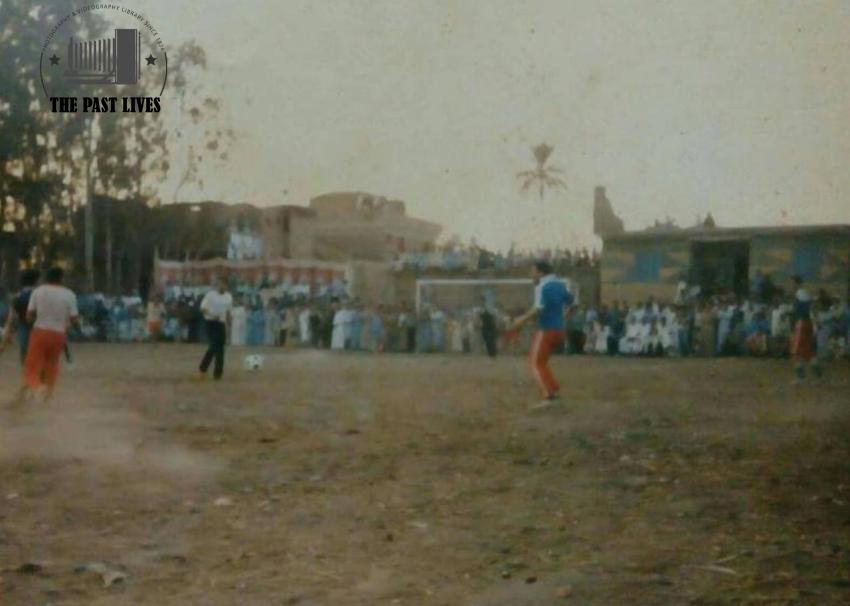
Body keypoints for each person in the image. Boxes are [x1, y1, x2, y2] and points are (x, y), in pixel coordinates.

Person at [510, 261, 574, 408]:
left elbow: (538, 309)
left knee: (536, 363)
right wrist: (564, 318)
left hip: (546, 330)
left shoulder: (542, 286)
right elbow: (573, 303)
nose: (531, 274)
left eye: (533, 271)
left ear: (540, 272)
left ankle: (549, 395)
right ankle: (553, 388)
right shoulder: (560, 285)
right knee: (542, 362)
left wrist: (521, 320)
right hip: (559, 330)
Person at [20, 267, 78, 402]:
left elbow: (29, 316)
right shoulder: (69, 294)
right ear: (62, 278)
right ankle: (48, 391)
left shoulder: (38, 292)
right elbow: (74, 318)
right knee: (52, 363)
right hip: (58, 333)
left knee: (33, 363)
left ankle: (37, 386)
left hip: (40, 330)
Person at [0, 269, 41, 363]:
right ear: (37, 280)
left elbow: (10, 321)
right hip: (41, 329)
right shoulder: (41, 296)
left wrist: (3, 343)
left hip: (24, 328)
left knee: (25, 356)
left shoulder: (17, 297)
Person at [788, 275, 821, 383]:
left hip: (802, 324)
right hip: (804, 323)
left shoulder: (801, 293)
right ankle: (817, 376)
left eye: (792, 283)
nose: (790, 285)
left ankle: (801, 377)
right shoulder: (802, 293)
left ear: (797, 283)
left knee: (798, 351)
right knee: (807, 351)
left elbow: (809, 307)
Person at [198, 278, 233, 380]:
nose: (222, 287)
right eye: (220, 284)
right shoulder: (210, 295)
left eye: (224, 285)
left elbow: (228, 312)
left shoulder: (228, 297)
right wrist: (212, 315)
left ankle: (218, 373)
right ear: (217, 285)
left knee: (220, 348)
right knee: (214, 345)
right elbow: (203, 309)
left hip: (221, 323)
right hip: (210, 322)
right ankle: (203, 368)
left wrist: (229, 325)